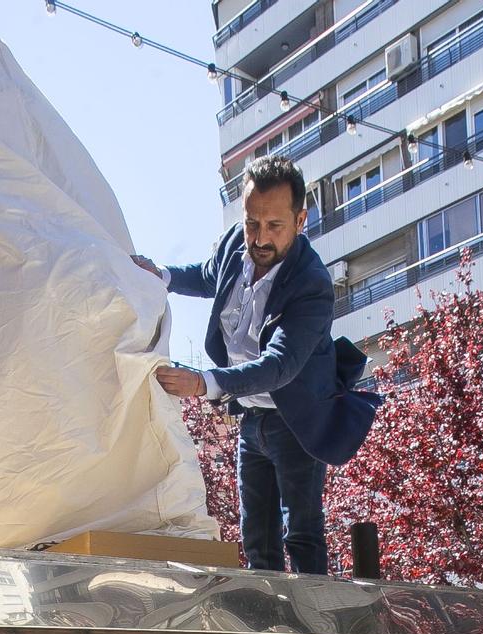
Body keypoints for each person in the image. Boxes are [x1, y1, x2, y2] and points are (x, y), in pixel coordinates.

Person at [134, 155, 379, 575]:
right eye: (252, 223)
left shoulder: (312, 285)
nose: (260, 238)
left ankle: (313, 633)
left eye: (274, 226)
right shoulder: (237, 241)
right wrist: (163, 275)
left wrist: (203, 382)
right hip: (251, 417)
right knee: (257, 541)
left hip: (297, 421)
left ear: (301, 219)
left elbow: (279, 366)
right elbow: (209, 274)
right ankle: (268, 631)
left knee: (301, 533)